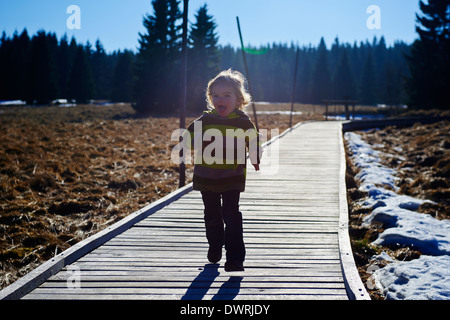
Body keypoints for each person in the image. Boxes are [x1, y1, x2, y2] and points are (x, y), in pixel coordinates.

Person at [183, 69, 262, 271]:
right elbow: (188, 139)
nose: (221, 99)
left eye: (227, 95)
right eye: (216, 95)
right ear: (210, 99)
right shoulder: (205, 120)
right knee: (212, 216)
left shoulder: (243, 122)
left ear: (238, 99)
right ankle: (215, 245)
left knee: (231, 215)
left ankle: (235, 258)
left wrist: (255, 157)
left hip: (231, 177)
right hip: (206, 177)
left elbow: (253, 142)